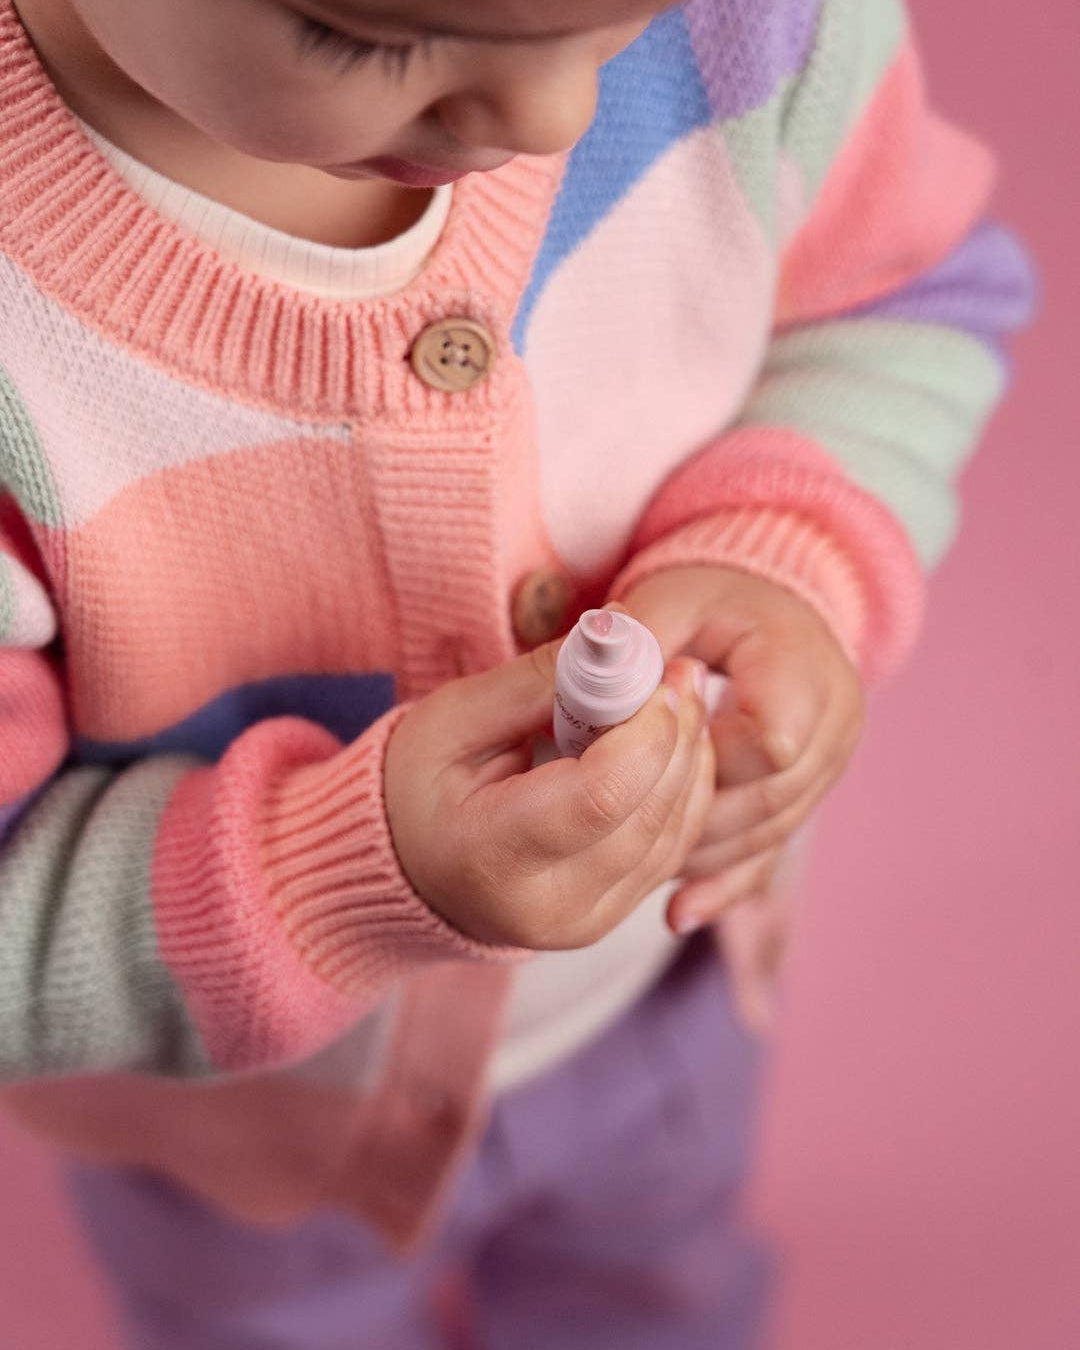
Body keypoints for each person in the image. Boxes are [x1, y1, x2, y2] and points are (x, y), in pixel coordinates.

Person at [0, 0, 1035, 1346]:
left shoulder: (752, 31)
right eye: (366, 42)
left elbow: (894, 298)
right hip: (240, 1151)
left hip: (660, 1006)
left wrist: (786, 556)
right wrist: (335, 874)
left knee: (656, 1293)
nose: (553, 118)